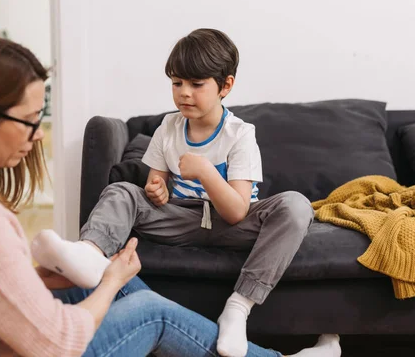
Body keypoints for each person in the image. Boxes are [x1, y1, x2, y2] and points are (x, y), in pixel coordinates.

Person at [0, 35, 340, 357]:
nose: (37, 137)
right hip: (21, 343)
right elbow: (56, 344)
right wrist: (110, 278)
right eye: (29, 121)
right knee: (145, 305)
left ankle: (240, 315)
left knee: (134, 288)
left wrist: (38, 280)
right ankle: (92, 253)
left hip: (228, 219)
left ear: (225, 85)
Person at [31, 29, 340, 357]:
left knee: (296, 205)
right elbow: (155, 185)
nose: (184, 94)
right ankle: (90, 253)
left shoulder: (240, 134)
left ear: (226, 86)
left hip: (234, 225)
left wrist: (206, 171)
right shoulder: (168, 127)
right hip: (182, 218)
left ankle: (239, 305)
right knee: (123, 191)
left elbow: (236, 211)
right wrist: (157, 190)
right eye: (177, 83)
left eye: (196, 84)